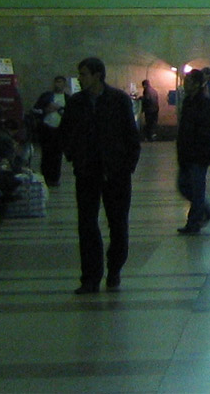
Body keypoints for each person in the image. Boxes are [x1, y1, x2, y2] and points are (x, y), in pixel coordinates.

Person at [63, 56, 141, 292]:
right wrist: (73, 156)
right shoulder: (76, 102)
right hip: (87, 171)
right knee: (87, 224)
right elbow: (66, 132)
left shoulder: (118, 100)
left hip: (116, 173)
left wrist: (127, 165)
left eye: (84, 74)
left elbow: (131, 135)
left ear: (97, 75)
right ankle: (90, 277)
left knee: (118, 224)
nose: (80, 78)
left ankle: (114, 268)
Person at [175, 69, 210, 235]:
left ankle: (194, 223)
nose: (185, 84)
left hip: (198, 153)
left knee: (197, 189)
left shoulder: (205, 103)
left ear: (196, 84)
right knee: (184, 186)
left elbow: (206, 130)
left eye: (188, 81)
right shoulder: (188, 101)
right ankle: (206, 210)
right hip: (186, 152)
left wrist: (200, 148)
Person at [29, 75, 68, 187]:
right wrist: (45, 110)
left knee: (57, 155)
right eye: (56, 82)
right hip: (46, 128)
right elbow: (36, 109)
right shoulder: (46, 96)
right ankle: (45, 177)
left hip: (60, 129)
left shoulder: (68, 98)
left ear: (64, 84)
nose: (57, 84)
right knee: (46, 154)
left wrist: (60, 109)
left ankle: (54, 178)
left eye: (60, 82)